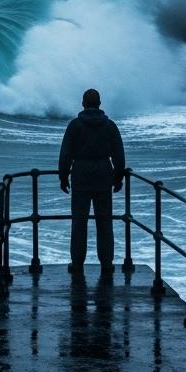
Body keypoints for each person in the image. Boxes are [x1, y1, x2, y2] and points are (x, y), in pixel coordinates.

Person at [58, 88, 125, 276]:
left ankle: (77, 263)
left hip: (80, 174)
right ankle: (107, 263)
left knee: (79, 221)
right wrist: (118, 178)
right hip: (104, 173)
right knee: (104, 221)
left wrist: (63, 177)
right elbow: (119, 155)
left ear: (83, 104)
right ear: (100, 104)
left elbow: (65, 154)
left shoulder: (75, 126)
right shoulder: (110, 126)